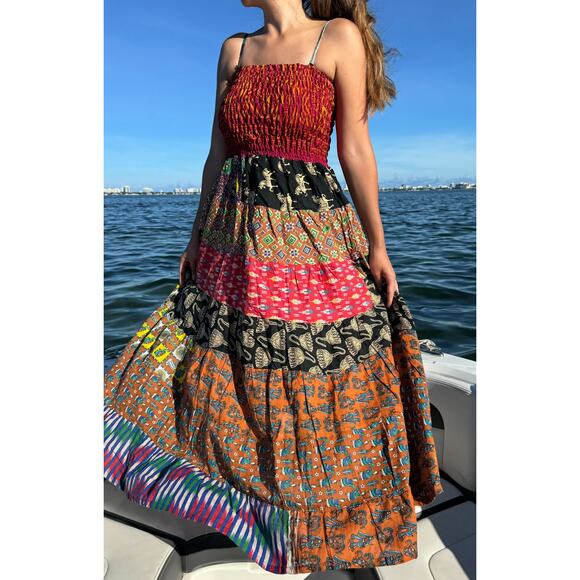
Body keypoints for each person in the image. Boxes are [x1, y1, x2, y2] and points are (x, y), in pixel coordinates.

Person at [104, 0, 444, 574]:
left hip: (310, 232)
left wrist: (378, 245)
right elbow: (217, 153)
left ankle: (327, 520)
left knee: (319, 365)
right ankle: (252, 510)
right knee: (233, 367)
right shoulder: (233, 50)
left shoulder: (336, 37)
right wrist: (194, 237)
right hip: (233, 238)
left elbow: (354, 147)